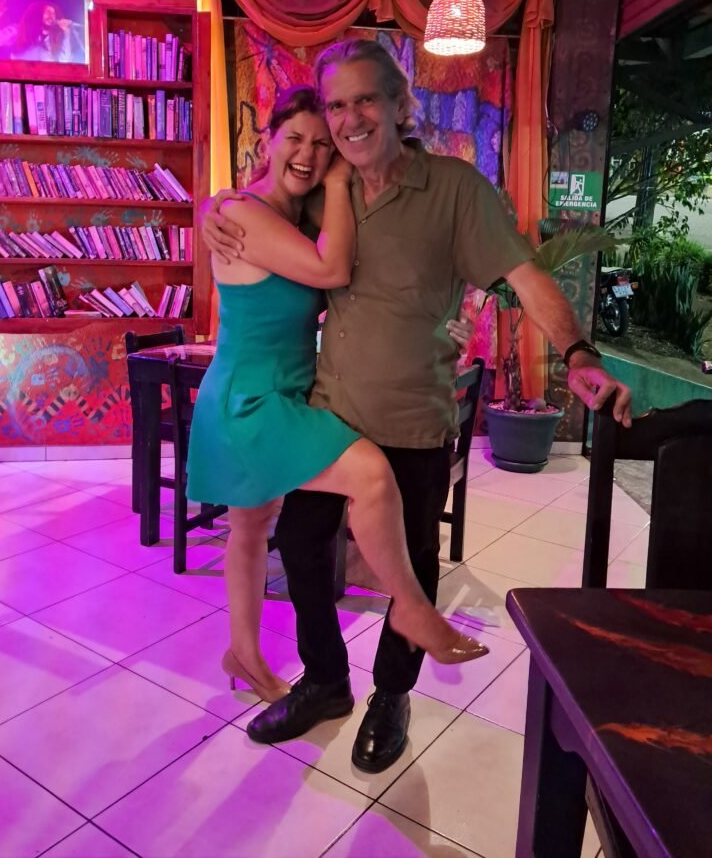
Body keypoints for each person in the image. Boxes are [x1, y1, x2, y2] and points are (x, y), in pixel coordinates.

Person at [204, 40, 632, 774]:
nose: (349, 119)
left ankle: (392, 694)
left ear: (402, 106)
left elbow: (526, 276)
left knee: (414, 559)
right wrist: (211, 208)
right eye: (337, 105)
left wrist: (578, 353)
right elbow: (262, 196)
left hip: (412, 416)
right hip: (329, 413)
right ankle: (326, 681)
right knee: (302, 545)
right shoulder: (325, 187)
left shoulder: (456, 191)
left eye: (366, 99)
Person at [187, 85, 489, 707]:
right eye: (295, 138)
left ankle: (243, 651)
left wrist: (440, 323)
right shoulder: (243, 212)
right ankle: (412, 609)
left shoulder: (293, 218)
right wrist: (327, 181)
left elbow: (369, 286)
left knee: (251, 527)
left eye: (322, 145)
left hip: (285, 392)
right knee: (371, 477)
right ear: (267, 138)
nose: (307, 153)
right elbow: (332, 272)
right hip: (252, 401)